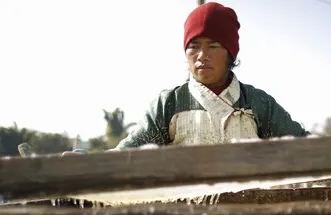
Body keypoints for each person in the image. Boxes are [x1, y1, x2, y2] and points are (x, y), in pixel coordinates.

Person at [109, 1, 309, 150]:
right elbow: (127, 156)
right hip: (187, 205)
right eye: (194, 47)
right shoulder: (169, 104)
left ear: (230, 54)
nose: (202, 56)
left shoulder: (257, 103)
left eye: (213, 46)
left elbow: (303, 146)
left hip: (251, 204)